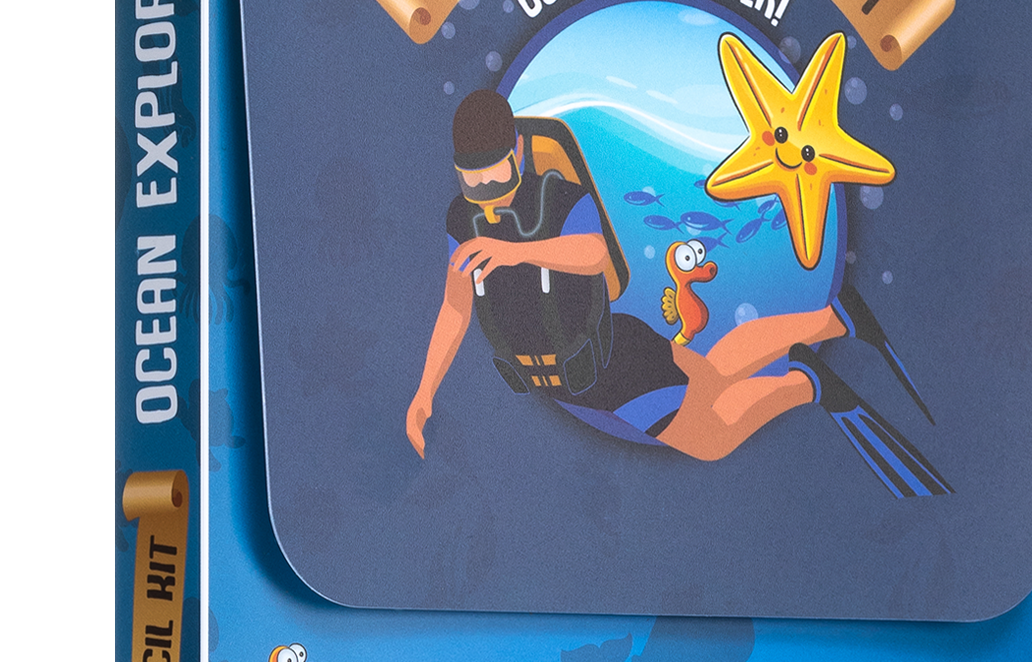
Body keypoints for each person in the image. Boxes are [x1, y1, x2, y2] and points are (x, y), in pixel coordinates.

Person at [407, 88, 950, 496]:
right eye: (471, 181)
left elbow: (593, 254)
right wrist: (425, 391)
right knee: (711, 375)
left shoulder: (561, 197)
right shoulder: (460, 221)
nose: (486, 194)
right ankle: (834, 318)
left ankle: (807, 383)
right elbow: (455, 306)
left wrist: (516, 252)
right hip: (578, 379)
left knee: (713, 437)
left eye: (496, 176)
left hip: (613, 369)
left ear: (519, 152)